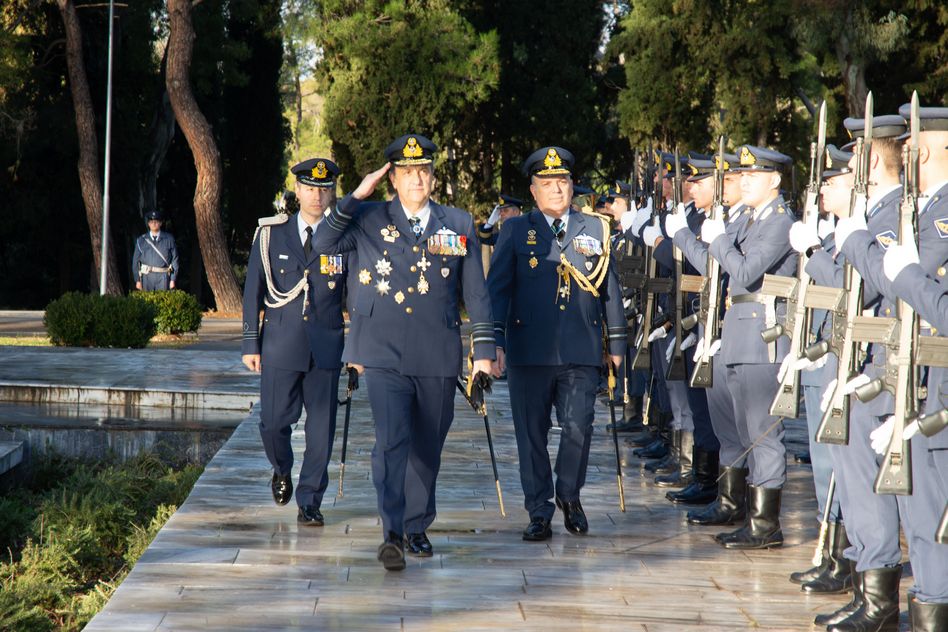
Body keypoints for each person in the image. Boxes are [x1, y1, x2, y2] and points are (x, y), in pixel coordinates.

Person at [315, 133, 496, 571]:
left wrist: (485, 350)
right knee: (391, 441)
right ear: (392, 178)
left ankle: (418, 524)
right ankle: (393, 532)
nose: (417, 178)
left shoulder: (458, 223)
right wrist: (356, 194)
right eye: (408, 172)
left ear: (433, 176)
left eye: (424, 170)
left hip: (438, 353)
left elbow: (476, 292)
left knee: (427, 446)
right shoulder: (368, 217)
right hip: (382, 352)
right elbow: (322, 243)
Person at [486, 146, 626, 541]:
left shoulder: (596, 228)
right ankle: (538, 510)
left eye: (562, 182)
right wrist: (493, 342)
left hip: (581, 348)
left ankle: (569, 494)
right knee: (530, 433)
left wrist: (616, 343)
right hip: (528, 349)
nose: (556, 190)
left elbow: (609, 290)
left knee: (579, 425)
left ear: (572, 186)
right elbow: (497, 290)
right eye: (547, 184)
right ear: (533, 190)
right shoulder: (516, 230)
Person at [699, 144, 796, 550]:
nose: (743, 181)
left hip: (762, 337)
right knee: (744, 431)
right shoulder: (754, 220)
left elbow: (743, 270)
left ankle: (765, 523)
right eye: (742, 175)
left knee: (763, 433)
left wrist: (719, 238)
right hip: (739, 332)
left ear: (774, 180)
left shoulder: (778, 222)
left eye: (753, 175)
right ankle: (749, 512)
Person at [240, 158, 347, 528]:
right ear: (297, 191)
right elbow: (253, 289)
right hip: (281, 344)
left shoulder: (344, 238)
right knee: (272, 423)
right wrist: (250, 343)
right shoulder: (271, 234)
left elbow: (358, 295)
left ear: (333, 192)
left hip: (326, 347)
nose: (318, 195)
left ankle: (310, 500)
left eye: (325, 188)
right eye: (310, 188)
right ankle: (281, 468)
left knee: (321, 432)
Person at [132, 210, 179, 291]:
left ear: (160, 223)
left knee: (163, 301)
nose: (154, 224)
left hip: (163, 277)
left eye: (156, 221)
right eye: (151, 222)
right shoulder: (141, 240)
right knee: (146, 302)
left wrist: (172, 279)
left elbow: (175, 259)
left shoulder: (169, 239)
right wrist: (137, 280)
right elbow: (135, 261)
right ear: (148, 224)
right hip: (147, 277)